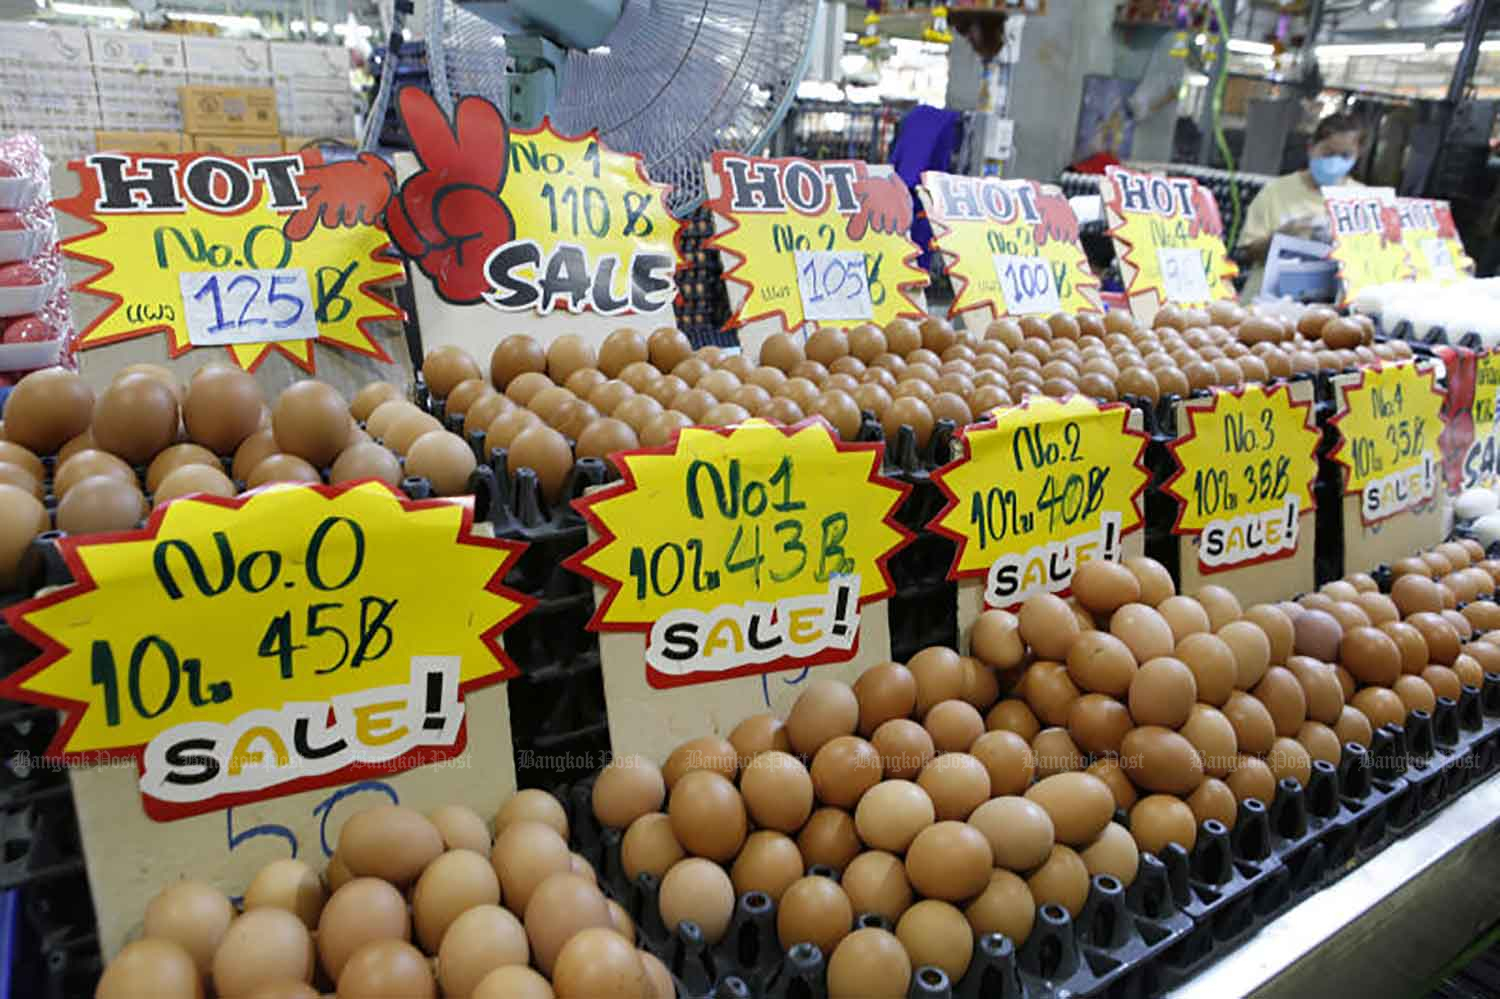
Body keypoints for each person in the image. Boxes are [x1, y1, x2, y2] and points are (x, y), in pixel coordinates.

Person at [1236, 113, 1364, 299]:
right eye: (1328, 153)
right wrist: (1281, 237)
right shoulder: (1276, 192)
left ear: (1357, 155)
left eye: (1345, 155)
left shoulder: (1362, 200)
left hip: (1326, 309)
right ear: (1311, 148)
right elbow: (1246, 253)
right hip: (1265, 303)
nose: (1335, 162)